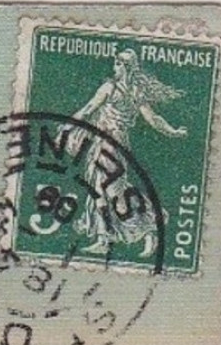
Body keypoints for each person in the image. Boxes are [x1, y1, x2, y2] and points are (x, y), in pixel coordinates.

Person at [69, 48, 187, 258]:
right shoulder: (136, 93)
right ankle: (119, 234)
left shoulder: (109, 88)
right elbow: (155, 120)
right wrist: (173, 131)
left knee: (104, 189)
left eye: (117, 64)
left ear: (125, 67)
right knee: (110, 189)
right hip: (116, 144)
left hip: (108, 143)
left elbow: (88, 109)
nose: (114, 67)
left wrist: (68, 124)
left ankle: (134, 230)